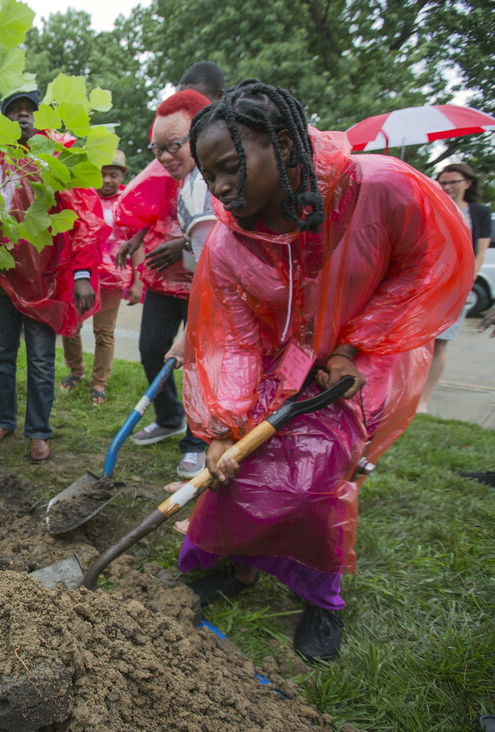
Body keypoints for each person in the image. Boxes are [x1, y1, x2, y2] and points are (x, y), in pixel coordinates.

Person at [181, 80, 472, 660]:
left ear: (285, 147)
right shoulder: (229, 243)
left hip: (365, 362)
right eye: (209, 175)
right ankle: (239, 571)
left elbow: (424, 264)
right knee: (237, 476)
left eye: (231, 166)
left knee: (317, 484)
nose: (220, 187)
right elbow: (231, 340)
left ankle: (321, 598)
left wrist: (357, 344)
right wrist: (222, 425)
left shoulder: (381, 189)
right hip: (274, 366)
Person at [0, 90, 107, 463]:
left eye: (30, 112)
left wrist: (80, 274)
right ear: (2, 122)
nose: (23, 117)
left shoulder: (56, 158)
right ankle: (3, 419)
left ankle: (39, 431)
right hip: (3, 276)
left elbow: (84, 218)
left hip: (46, 280)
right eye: (14, 112)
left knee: (42, 360)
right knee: (0, 354)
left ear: (39, 119)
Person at [116, 90, 213, 479]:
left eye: (173, 147)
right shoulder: (168, 172)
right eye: (157, 149)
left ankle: (197, 442)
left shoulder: (213, 172)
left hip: (204, 289)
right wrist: (138, 238)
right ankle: (170, 416)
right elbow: (151, 208)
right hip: (162, 283)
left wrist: (183, 244)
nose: (164, 158)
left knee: (196, 365)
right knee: (152, 349)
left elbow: (219, 239)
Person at [60, 149, 136, 405]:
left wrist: (138, 280)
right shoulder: (82, 196)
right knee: (72, 326)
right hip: (82, 273)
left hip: (113, 276)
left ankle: (99, 382)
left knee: (104, 332)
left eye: (113, 175)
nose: (107, 179)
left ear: (121, 176)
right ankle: (76, 370)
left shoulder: (128, 201)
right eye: (102, 174)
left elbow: (136, 242)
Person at [417, 163, 492, 413]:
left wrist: (466, 282)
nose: (448, 187)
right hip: (426, 282)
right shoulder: (432, 206)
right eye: (443, 182)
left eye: (453, 182)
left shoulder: (478, 213)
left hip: (456, 284)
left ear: (468, 183)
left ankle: (424, 399)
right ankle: (407, 392)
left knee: (441, 341)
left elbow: (479, 253)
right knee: (415, 340)